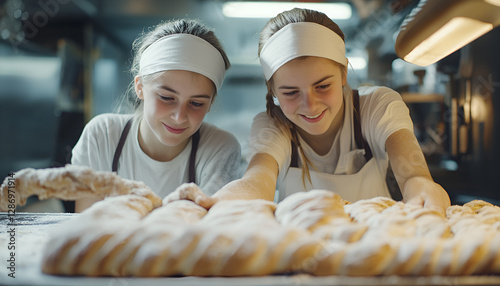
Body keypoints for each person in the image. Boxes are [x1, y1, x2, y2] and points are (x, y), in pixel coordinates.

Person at [168, 8, 450, 215]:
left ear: (343, 74)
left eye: (323, 85)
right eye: (290, 93)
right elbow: (258, 181)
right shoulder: (272, 125)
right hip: (301, 256)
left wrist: (421, 186)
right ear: (273, 92)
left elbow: (411, 171)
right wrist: (215, 203)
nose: (311, 105)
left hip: (377, 249)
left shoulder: (376, 106)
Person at [72, 19, 241, 212]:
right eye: (167, 97)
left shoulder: (220, 148)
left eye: (196, 103)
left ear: (210, 103)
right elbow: (87, 226)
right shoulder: (102, 136)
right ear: (140, 87)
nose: (179, 117)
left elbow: (206, 231)